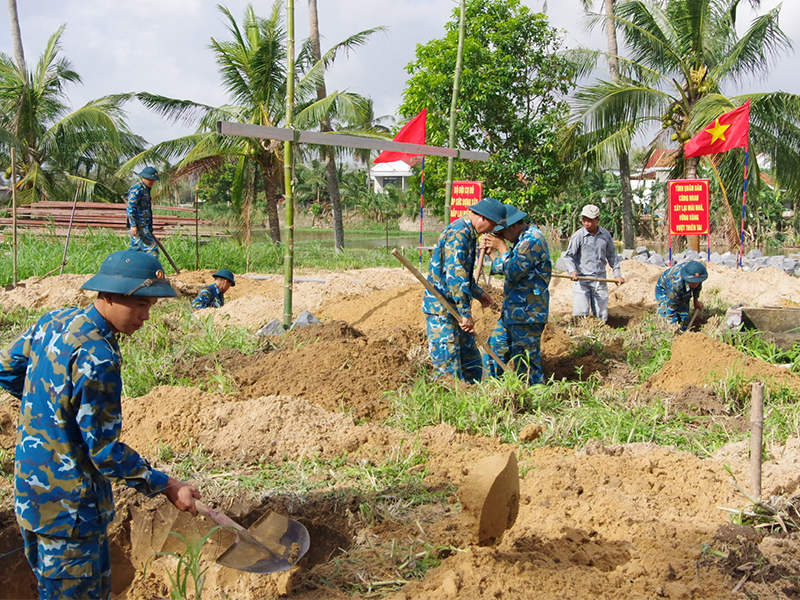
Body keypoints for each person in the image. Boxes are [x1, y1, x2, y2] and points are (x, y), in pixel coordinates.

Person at [0, 250, 200, 600]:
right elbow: (104, 451)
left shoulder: (54, 322)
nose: (145, 316)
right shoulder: (99, 357)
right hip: (71, 512)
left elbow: (5, 368)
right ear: (107, 295)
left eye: (150, 306)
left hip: (32, 498)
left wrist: (49, 409)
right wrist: (165, 484)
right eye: (138, 304)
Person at [423, 197, 503, 383]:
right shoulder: (458, 234)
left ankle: (475, 400)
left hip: (455, 310)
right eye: (492, 225)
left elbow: (464, 275)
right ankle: (451, 407)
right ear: (483, 218)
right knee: (448, 371)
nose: (492, 231)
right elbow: (455, 278)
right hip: (443, 311)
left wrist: (479, 293)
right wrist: (466, 313)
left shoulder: (468, 233)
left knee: (471, 363)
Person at [481, 204, 552, 384]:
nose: (500, 236)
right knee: (492, 352)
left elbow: (512, 271)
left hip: (528, 314)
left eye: (501, 232)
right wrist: (492, 253)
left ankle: (536, 400)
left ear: (511, 226)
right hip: (511, 313)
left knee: (526, 365)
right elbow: (502, 268)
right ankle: (491, 393)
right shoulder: (520, 241)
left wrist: (502, 248)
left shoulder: (532, 240)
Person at [561, 204, 624, 322]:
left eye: (589, 220)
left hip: (600, 280)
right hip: (581, 280)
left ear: (597, 220)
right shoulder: (578, 236)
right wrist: (572, 271)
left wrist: (617, 274)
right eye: (584, 219)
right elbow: (568, 256)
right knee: (581, 315)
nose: (586, 223)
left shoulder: (605, 236)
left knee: (601, 316)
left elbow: (612, 256)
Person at [655, 260, 707, 330]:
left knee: (684, 318)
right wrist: (673, 325)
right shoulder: (676, 283)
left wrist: (696, 301)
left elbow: (697, 287)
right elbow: (671, 305)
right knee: (665, 315)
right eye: (692, 282)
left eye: (696, 282)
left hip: (682, 285)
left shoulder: (699, 274)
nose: (695, 284)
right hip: (664, 288)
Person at [127, 166, 160, 256]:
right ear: (144, 178)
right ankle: (152, 269)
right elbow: (130, 207)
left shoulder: (147, 189)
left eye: (154, 180)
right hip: (139, 225)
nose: (152, 182)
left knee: (136, 250)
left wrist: (150, 227)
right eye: (150, 180)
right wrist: (133, 225)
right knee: (152, 250)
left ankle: (133, 267)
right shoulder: (137, 189)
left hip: (145, 224)